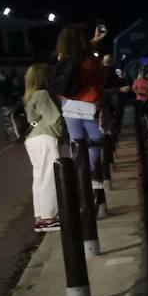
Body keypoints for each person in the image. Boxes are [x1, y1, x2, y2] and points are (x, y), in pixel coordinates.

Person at [50, 26, 108, 199]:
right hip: (89, 105)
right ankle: (86, 174)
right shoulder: (90, 60)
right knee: (97, 139)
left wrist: (95, 42)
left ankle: (79, 177)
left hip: (68, 104)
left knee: (76, 143)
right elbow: (100, 79)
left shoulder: (63, 58)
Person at [22, 62, 63, 233]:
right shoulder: (44, 94)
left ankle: (40, 217)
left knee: (39, 178)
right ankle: (49, 218)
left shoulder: (31, 95)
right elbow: (55, 120)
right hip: (45, 136)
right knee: (49, 177)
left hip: (33, 138)